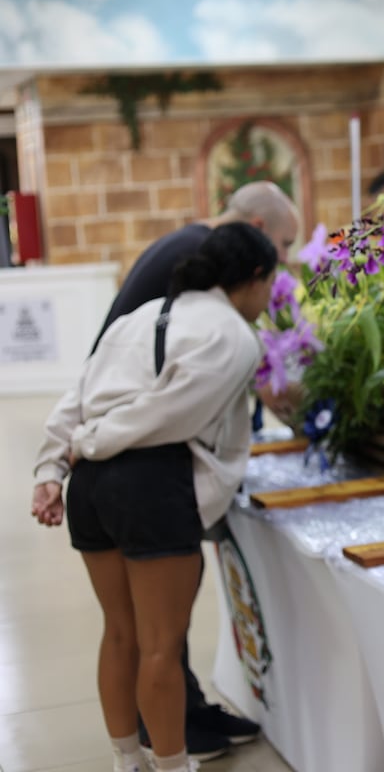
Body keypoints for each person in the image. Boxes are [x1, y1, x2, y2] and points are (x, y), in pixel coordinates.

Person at [30, 223, 278, 772]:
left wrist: (55, 464)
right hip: (150, 486)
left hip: (92, 488)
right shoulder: (234, 336)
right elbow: (169, 416)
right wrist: (84, 444)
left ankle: (127, 761)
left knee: (120, 634)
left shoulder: (139, 317)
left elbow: (79, 394)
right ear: (256, 278)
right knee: (161, 646)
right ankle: (171, 766)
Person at [91, 180, 299, 760]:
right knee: (153, 633)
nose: (280, 267)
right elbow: (176, 393)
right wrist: (93, 439)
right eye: (279, 248)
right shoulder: (199, 271)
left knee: (137, 630)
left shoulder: (191, 256)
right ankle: (171, 735)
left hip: (118, 445)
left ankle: (158, 734)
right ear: (254, 233)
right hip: (138, 454)